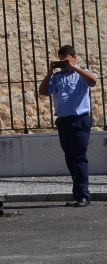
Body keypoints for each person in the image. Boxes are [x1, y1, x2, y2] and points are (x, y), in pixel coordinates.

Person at [38, 44, 97, 207]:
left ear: (74, 58)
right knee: (70, 158)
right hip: (63, 121)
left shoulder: (82, 74)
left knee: (79, 157)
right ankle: (78, 195)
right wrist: (50, 72)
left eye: (66, 60)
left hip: (79, 119)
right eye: (61, 60)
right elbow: (43, 91)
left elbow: (93, 81)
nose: (64, 63)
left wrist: (74, 68)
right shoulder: (57, 77)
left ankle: (83, 196)